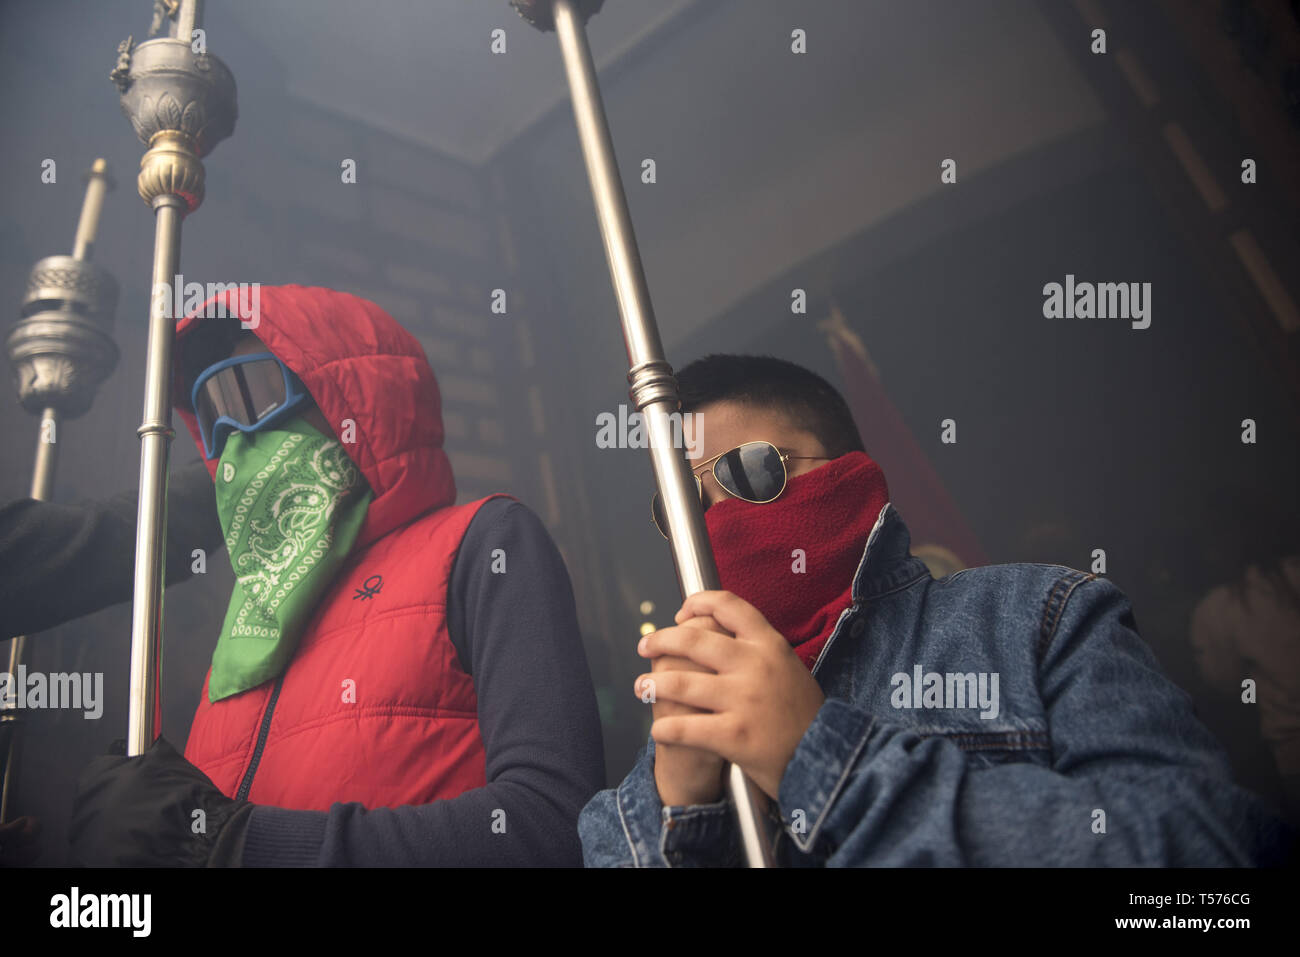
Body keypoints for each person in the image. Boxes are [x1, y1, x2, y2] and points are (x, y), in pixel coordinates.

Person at [578, 353, 1295, 866]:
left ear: (850, 471)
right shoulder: (654, 777)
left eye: (750, 471)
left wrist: (828, 764)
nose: (718, 520)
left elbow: (1212, 865)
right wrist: (679, 822)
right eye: (685, 507)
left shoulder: (1038, 619)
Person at [68, 284, 604, 865]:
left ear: (351, 395)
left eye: (256, 390)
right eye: (213, 411)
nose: (238, 438)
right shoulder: (250, 626)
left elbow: (554, 822)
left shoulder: (483, 544)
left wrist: (237, 844)